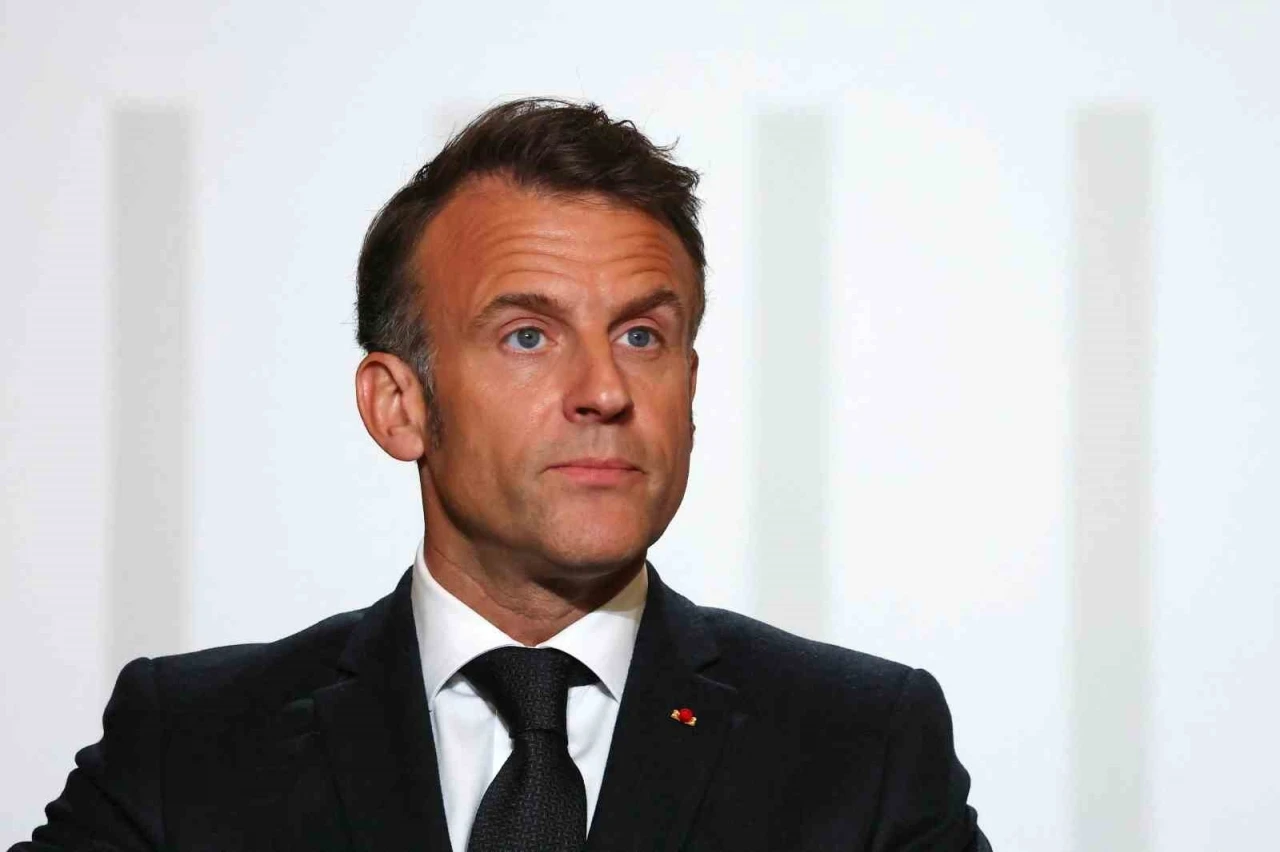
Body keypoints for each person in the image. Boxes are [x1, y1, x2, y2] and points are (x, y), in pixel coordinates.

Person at [12, 98, 990, 851]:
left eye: (641, 336)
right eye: (528, 335)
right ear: (398, 406)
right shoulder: (192, 746)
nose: (604, 390)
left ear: (690, 388)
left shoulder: (861, 748)